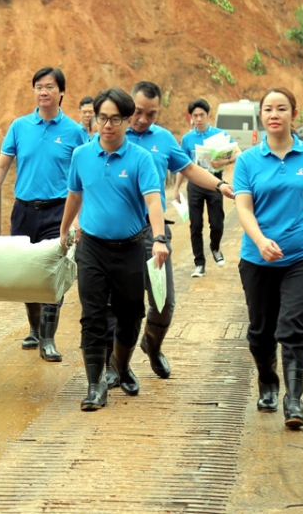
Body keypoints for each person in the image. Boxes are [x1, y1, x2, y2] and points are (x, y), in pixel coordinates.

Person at [233, 87, 303, 429]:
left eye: (282, 108)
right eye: (268, 109)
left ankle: (294, 401)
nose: (274, 114)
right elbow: (243, 207)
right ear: (261, 116)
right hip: (257, 258)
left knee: (294, 329)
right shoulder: (248, 160)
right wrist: (261, 240)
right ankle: (267, 381)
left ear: (294, 114)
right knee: (261, 333)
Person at [60, 87, 168, 411]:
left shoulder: (140, 159)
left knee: (131, 313)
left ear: (127, 120)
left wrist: (160, 239)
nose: (107, 125)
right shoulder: (81, 155)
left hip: (130, 248)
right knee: (92, 316)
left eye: (115, 119)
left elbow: (153, 201)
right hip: (91, 247)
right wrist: (64, 229)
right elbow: (74, 195)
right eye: (102, 117)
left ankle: (120, 366)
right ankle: (95, 386)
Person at [124, 83, 232, 381]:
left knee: (163, 302)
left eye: (151, 114)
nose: (143, 119)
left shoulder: (163, 139)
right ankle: (115, 365)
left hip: (152, 233)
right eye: (138, 112)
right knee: (121, 305)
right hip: (117, 234)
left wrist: (220, 185)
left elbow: (190, 169)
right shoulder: (114, 135)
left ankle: (152, 344)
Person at [0, 67, 87, 363]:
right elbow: (2, 165)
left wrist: (79, 216)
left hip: (59, 211)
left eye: (49, 87)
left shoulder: (75, 132)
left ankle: (48, 339)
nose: (43, 92)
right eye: (38, 87)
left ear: (61, 92)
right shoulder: (19, 126)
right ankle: (35, 328)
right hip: (24, 210)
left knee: (53, 271)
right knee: (26, 271)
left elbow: (85, 175)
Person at [176, 98, 241, 277]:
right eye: (195, 115)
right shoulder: (187, 139)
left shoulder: (219, 134)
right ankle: (199, 263)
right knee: (195, 225)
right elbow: (183, 165)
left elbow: (238, 152)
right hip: (195, 185)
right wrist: (176, 190)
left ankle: (215, 247)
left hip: (216, 183)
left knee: (217, 223)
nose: (198, 119)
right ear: (191, 117)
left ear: (207, 115)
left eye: (201, 115)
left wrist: (224, 161)